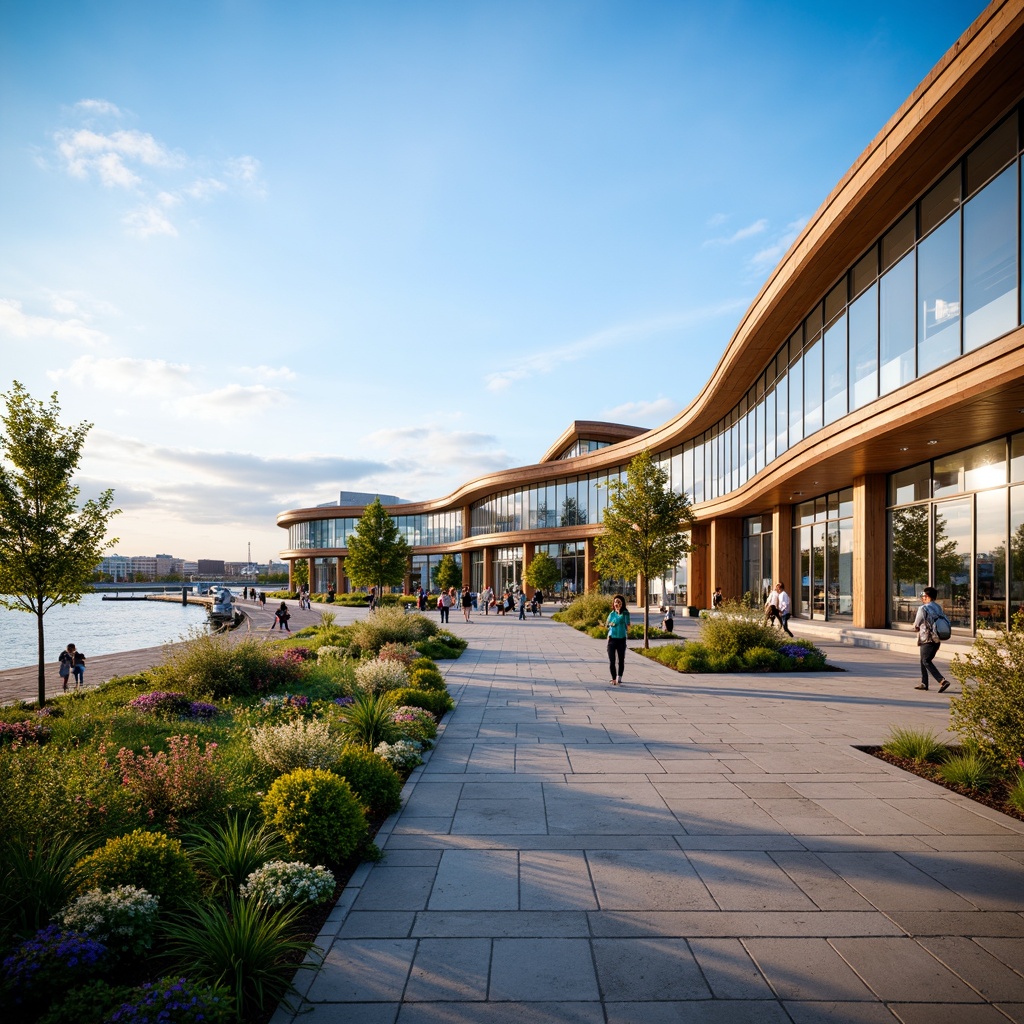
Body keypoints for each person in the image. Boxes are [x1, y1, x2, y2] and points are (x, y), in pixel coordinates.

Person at [914, 587, 951, 693]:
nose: (922, 598)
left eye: (923, 596)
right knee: (923, 659)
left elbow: (917, 623)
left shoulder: (923, 608)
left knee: (926, 660)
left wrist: (915, 628)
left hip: (927, 638)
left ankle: (942, 681)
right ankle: (924, 683)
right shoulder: (938, 607)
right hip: (937, 638)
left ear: (927, 596)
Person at [605, 594, 630, 686]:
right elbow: (607, 624)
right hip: (612, 639)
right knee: (612, 660)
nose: (616, 603)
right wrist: (611, 624)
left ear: (622, 603)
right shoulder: (611, 614)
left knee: (621, 660)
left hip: (621, 639)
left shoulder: (625, 613)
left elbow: (628, 624)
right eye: (615, 602)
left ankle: (619, 677)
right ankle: (613, 678)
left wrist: (620, 612)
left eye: (618, 602)